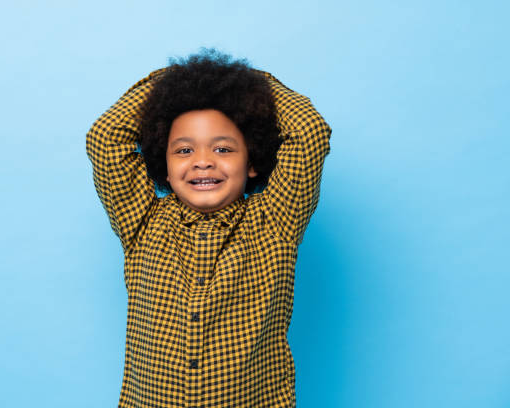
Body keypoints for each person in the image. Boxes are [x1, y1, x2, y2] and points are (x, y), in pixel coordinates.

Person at [86, 48, 332, 408]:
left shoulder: (277, 221)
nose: (203, 161)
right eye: (184, 151)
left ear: (252, 162)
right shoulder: (140, 222)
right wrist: (171, 83)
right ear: (164, 168)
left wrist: (247, 86)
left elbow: (308, 132)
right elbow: (105, 138)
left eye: (223, 149)